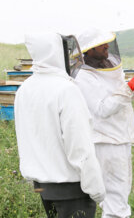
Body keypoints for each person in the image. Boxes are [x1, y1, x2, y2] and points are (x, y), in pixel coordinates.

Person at [15, 32, 105, 218]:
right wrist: (96, 189)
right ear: (56, 52)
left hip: (44, 188)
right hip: (72, 191)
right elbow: (80, 147)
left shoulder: (24, 89)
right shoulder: (66, 90)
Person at [74, 28, 134, 218]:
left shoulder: (109, 68)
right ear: (89, 50)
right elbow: (102, 109)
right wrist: (128, 87)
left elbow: (124, 98)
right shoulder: (84, 76)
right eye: (101, 44)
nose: (107, 46)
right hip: (106, 142)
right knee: (115, 197)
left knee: (120, 192)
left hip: (119, 137)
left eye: (107, 42)